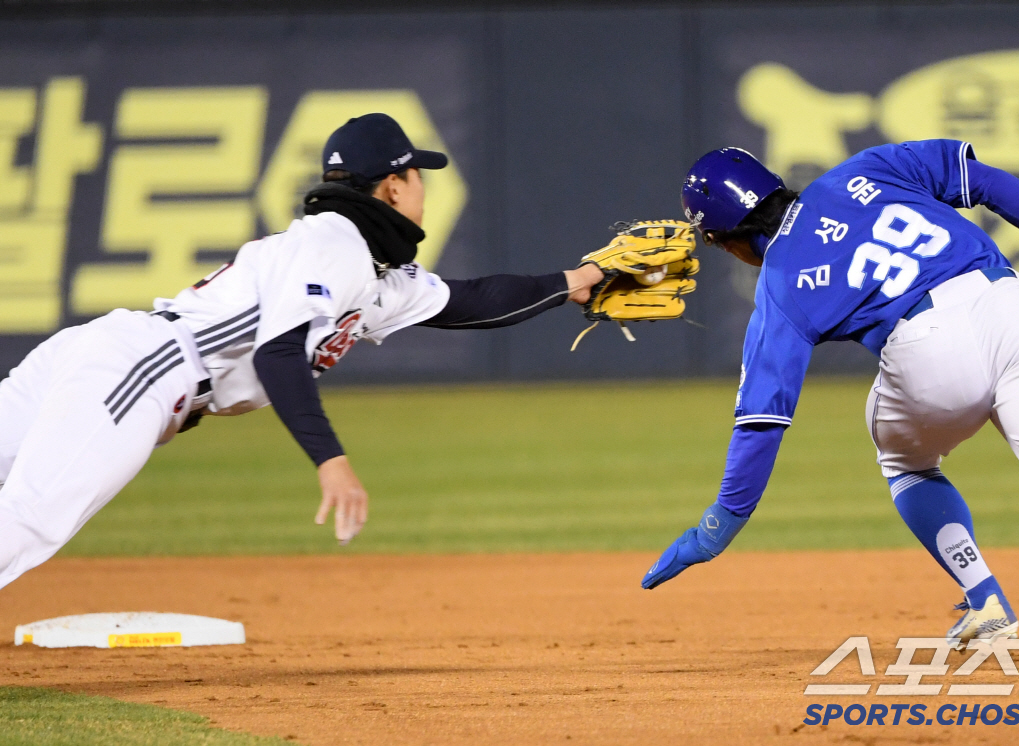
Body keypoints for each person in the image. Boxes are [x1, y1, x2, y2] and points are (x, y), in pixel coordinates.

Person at [0, 113, 603, 589]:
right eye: (418, 176)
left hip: (113, 352)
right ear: (393, 186)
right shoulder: (334, 244)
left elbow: (471, 301)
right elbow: (279, 354)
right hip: (145, 370)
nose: (424, 188)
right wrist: (330, 459)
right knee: (32, 517)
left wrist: (580, 279)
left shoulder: (374, 272)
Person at [642, 141, 1019, 647]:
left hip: (930, 349)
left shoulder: (779, 287)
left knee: (905, 463)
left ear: (729, 240)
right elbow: (985, 182)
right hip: (1013, 303)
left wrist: (719, 526)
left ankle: (986, 600)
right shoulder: (869, 168)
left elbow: (761, 423)